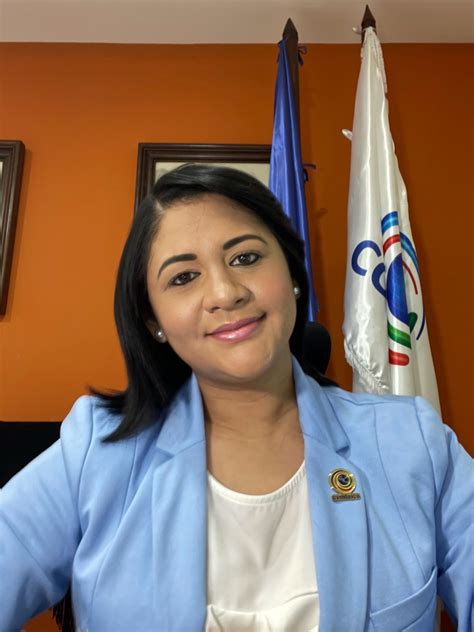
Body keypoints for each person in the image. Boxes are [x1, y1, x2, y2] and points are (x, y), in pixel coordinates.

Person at [0, 164, 472, 632]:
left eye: (245, 257)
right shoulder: (96, 452)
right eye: (183, 277)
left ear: (292, 274)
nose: (225, 293)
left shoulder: (412, 441)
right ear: (153, 321)